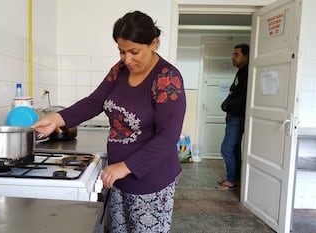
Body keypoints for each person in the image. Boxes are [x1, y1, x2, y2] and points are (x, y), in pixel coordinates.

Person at [32, 11, 186, 233]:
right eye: (122, 52)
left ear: (153, 43)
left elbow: (168, 137)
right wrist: (56, 119)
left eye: (134, 52)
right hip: (118, 176)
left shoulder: (166, 78)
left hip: (151, 180)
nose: (127, 59)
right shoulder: (119, 70)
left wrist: (126, 167)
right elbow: (95, 102)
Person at [216, 43, 249, 191]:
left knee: (226, 149)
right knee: (234, 150)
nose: (232, 57)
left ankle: (230, 180)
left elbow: (245, 98)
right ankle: (236, 180)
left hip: (237, 117)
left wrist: (228, 106)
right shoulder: (241, 72)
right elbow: (233, 93)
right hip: (232, 117)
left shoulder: (248, 73)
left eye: (236, 54)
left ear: (246, 56)